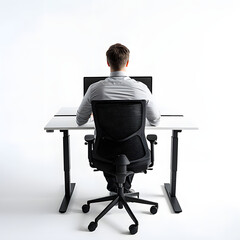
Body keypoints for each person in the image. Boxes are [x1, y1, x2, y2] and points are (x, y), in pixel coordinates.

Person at [76, 43, 160, 194]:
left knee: (111, 146)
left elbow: (80, 120)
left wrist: (95, 116)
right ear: (127, 62)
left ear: (108, 62)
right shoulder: (140, 88)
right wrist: (138, 119)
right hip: (136, 151)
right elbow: (155, 119)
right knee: (128, 144)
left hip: (104, 151)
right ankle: (123, 189)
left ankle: (116, 189)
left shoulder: (95, 89)